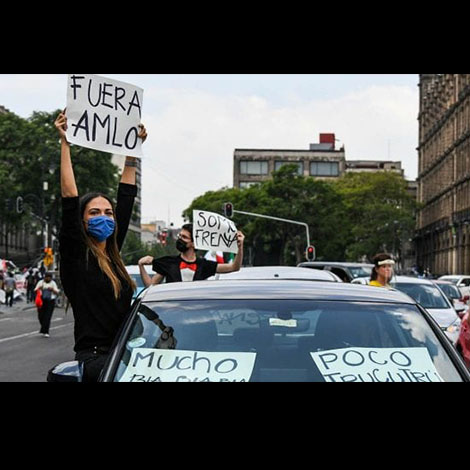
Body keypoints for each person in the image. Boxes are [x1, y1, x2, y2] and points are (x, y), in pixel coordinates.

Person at [54, 110, 147, 382]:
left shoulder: (113, 255)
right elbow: (70, 198)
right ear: (82, 222)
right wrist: (65, 143)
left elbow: (126, 198)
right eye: (94, 213)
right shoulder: (76, 257)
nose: (103, 217)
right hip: (97, 362)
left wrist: (132, 151)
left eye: (108, 212)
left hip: (126, 356)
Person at [138, 223, 245, 286]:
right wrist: (141, 266)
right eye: (180, 236)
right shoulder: (168, 262)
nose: (180, 239)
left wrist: (240, 247)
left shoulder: (204, 265)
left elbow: (234, 267)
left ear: (194, 243)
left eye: (184, 237)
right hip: (172, 313)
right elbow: (151, 285)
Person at [34, 272, 60, 337]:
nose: (48, 279)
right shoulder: (40, 282)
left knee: (47, 317)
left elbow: (57, 292)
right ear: (44, 277)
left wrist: (52, 289)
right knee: (41, 316)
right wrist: (39, 288)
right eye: (47, 277)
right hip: (42, 301)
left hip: (50, 301)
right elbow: (35, 290)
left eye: (49, 277)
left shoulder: (53, 283)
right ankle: (44, 327)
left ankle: (46, 331)